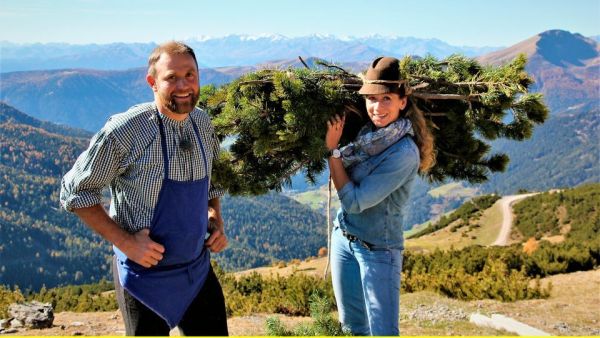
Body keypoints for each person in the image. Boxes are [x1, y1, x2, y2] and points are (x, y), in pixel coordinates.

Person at [60, 41, 228, 336]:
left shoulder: (202, 123)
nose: (183, 85)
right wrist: (126, 242)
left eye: (190, 75)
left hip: (196, 272)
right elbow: (75, 192)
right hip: (143, 279)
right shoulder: (127, 130)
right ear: (152, 82)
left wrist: (215, 217)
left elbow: (212, 181)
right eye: (171, 77)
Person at [325, 56, 435, 336]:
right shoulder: (367, 135)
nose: (377, 107)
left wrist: (333, 152)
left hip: (378, 252)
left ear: (403, 101)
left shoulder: (403, 153)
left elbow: (354, 201)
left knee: (383, 332)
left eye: (386, 98)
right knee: (351, 329)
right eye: (371, 99)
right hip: (344, 239)